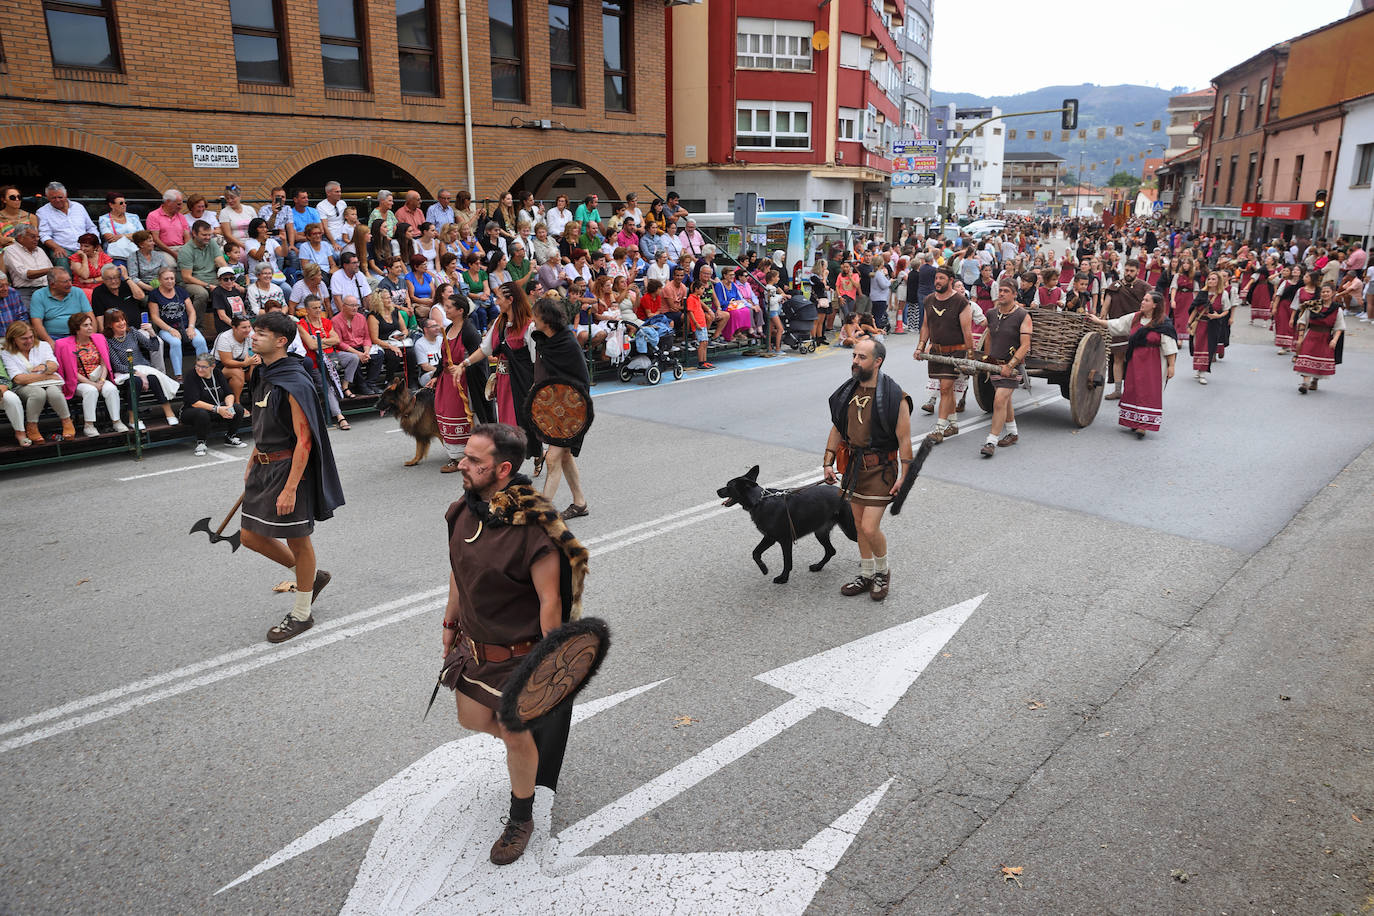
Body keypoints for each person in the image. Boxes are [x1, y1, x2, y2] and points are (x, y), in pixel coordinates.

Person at [441, 421, 588, 865]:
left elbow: (551, 603)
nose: (463, 465)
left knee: (513, 730)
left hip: (520, 656)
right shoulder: (462, 512)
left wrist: (549, 669)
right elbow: (457, 568)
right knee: (471, 719)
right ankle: (526, 748)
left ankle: (521, 816)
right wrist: (449, 621)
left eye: (474, 461)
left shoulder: (534, 532)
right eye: (465, 456)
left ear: (503, 469)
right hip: (475, 647)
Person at [235, 311, 343, 641]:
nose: (253, 336)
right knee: (249, 536)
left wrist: (291, 488)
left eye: (262, 333)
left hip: (288, 469)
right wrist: (255, 455)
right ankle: (309, 576)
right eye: (254, 331)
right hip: (264, 465)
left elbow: (305, 438)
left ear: (281, 341)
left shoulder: (293, 379)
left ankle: (301, 613)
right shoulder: (261, 373)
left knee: (298, 540)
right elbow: (266, 421)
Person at [822, 338, 913, 601]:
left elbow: (905, 441)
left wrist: (905, 478)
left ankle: (883, 573)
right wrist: (827, 462)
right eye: (854, 356)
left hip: (881, 470)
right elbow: (838, 427)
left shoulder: (897, 398)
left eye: (862, 357)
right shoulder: (846, 392)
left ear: (877, 361)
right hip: (854, 469)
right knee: (860, 526)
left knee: (870, 528)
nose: (855, 361)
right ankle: (866, 573)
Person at [455, 281, 540, 462]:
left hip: (522, 382)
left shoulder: (529, 326)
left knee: (524, 422)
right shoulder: (500, 323)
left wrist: (536, 384)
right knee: (507, 423)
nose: (495, 301)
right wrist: (465, 363)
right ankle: (509, 461)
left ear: (510, 300)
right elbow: (485, 349)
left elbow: (536, 359)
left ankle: (537, 453)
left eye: (499, 298)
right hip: (503, 381)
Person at [529, 296, 592, 518]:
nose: (533, 319)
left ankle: (542, 513)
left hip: (573, 409)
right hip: (555, 406)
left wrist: (573, 411)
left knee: (554, 456)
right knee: (564, 455)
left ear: (546, 319)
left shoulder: (567, 343)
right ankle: (580, 503)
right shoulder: (545, 339)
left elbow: (581, 382)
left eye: (536, 315)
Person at [1087, 290, 1177, 438]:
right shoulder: (1135, 318)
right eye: (1143, 299)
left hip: (1153, 364)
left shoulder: (1163, 323)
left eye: (1147, 300)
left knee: (1149, 391)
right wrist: (1098, 321)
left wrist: (1171, 366)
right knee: (1133, 389)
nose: (1143, 302)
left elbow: (1169, 346)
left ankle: (1143, 425)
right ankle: (1133, 421)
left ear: (1155, 305)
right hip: (1135, 362)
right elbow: (1117, 323)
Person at [430, 295, 492, 472]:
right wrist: (436, 375)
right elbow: (443, 357)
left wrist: (461, 368)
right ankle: (458, 456)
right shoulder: (449, 328)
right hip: (447, 381)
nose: (446, 309)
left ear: (460, 311)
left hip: (464, 382)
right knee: (446, 413)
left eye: (449, 307)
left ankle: (469, 456)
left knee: (464, 415)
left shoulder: (469, 332)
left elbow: (479, 359)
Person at [916, 266, 973, 442]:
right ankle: (953, 424)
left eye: (941, 278)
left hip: (955, 352)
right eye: (936, 278)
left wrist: (969, 356)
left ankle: (939, 429)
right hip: (936, 353)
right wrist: (920, 346)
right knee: (945, 389)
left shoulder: (961, 302)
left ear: (950, 280)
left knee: (946, 388)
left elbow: (967, 331)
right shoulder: (929, 300)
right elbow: (926, 325)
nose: (937, 282)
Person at [976, 279, 1031, 457]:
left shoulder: (1023, 315)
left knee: (999, 400)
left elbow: (1025, 346)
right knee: (1004, 400)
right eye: (1000, 290)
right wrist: (987, 360)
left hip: (1012, 367)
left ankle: (991, 441)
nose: (1001, 294)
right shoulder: (991, 313)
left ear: (1015, 294)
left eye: (1006, 291)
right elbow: (989, 337)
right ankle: (1013, 432)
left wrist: (1010, 364)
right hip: (995, 365)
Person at [103, 307, 178, 428]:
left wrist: (151, 332)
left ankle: (169, 413)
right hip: (124, 372)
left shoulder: (132, 331)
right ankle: (133, 419)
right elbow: (117, 365)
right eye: (117, 321)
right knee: (135, 382)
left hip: (143, 367)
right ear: (110, 325)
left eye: (123, 319)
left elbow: (153, 347)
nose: (122, 323)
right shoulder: (107, 340)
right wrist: (137, 372)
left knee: (154, 378)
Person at [53, 312, 126, 436]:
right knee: (90, 391)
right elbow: (72, 371)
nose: (90, 328)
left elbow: (104, 363)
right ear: (76, 328)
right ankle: (89, 425)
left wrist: (102, 380)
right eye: (85, 325)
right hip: (79, 381)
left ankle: (116, 421)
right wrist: (91, 384)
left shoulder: (98, 338)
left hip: (99, 377)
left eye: (90, 324)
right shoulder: (63, 344)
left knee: (111, 389)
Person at [1, 319, 74, 442]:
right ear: (14, 339)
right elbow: (18, 379)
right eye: (24, 338)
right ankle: (32, 426)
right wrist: (47, 375)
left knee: (54, 392)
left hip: (50, 383)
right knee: (38, 393)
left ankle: (67, 421)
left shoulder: (42, 345)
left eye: (31, 337)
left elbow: (54, 365)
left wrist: (45, 368)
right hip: (24, 387)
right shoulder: (6, 352)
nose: (29, 341)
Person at [1100, 259, 1151, 400]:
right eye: (1126, 270)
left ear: (1138, 272)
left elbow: (1152, 307)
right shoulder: (1115, 286)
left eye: (1131, 271)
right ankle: (1117, 390)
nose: (1128, 273)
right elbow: (1105, 307)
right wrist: (1102, 321)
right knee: (1118, 358)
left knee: (1135, 360)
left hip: (1137, 328)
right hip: (1117, 327)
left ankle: (1133, 390)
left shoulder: (1145, 287)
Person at [180, 352, 247, 455]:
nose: (199, 369)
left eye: (203, 367)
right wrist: (217, 409)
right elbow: (194, 402)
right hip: (192, 411)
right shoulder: (191, 375)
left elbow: (229, 393)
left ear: (212, 366)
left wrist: (229, 406)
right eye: (197, 366)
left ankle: (230, 437)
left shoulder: (217, 373)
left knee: (237, 408)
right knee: (202, 414)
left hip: (217, 408)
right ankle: (201, 442)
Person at [148, 266, 209, 378]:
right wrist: (170, 330)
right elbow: (155, 317)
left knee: (200, 340)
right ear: (160, 280)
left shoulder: (181, 291)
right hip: (166, 328)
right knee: (175, 342)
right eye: (166, 279)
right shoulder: (154, 295)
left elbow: (191, 312)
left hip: (185, 326)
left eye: (172, 278)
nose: (170, 281)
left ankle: (204, 370)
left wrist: (191, 327)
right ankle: (178, 375)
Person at [1293, 281, 1345, 394]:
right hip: (1311, 335)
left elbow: (1339, 327)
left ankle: (1315, 381)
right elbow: (1302, 321)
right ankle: (1305, 383)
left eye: (1327, 292)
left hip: (1325, 338)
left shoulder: (1337, 310)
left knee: (1319, 360)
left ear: (1333, 293)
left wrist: (1335, 340)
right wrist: (1300, 338)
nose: (1325, 294)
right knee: (1306, 357)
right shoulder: (1313, 305)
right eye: (1323, 291)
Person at [37, 181, 98, 268]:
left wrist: (96, 244)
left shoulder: (78, 207)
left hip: (86, 246)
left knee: (100, 261)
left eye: (60, 197)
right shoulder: (42, 212)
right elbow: (44, 235)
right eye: (53, 198)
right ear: (47, 197)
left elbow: (91, 228)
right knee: (61, 259)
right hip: (63, 248)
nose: (57, 200)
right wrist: (56, 247)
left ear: (66, 195)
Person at [1187, 270, 1231, 385]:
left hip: (1213, 326)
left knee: (1208, 347)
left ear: (1218, 281)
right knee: (1198, 346)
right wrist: (1189, 323)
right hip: (1200, 324)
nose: (1211, 281)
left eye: (1214, 279)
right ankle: (1199, 368)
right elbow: (1195, 309)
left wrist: (1218, 315)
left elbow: (1226, 310)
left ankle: (1203, 372)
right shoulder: (1202, 293)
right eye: (1209, 279)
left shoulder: (1223, 294)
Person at [177, 220, 228, 316]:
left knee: (233, 288)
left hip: (212, 279)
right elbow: (186, 277)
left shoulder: (211, 243)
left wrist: (229, 278)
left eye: (209, 235)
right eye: (204, 235)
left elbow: (221, 262)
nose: (208, 238)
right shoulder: (186, 250)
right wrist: (208, 286)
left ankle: (230, 323)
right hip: (191, 282)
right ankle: (195, 325)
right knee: (202, 294)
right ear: (194, 234)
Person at [29, 267, 90, 344]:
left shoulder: (78, 292)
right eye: (65, 282)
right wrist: (50, 342)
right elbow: (37, 324)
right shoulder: (39, 295)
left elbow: (90, 315)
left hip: (78, 334)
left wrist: (90, 337)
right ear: (52, 284)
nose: (70, 284)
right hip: (53, 337)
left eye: (70, 280)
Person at [5, 226, 54, 311]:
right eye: (33, 236)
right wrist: (48, 270)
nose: (37, 239)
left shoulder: (40, 250)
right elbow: (25, 274)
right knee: (27, 316)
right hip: (27, 292)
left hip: (47, 290)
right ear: (20, 237)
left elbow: (52, 271)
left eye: (38, 236)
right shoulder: (11, 250)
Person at [215, 312, 259, 404]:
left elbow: (257, 351)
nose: (247, 330)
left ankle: (256, 399)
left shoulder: (251, 334)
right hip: (220, 368)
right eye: (244, 327)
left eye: (249, 326)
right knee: (237, 372)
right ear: (234, 328)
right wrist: (244, 364)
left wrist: (257, 358)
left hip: (244, 364)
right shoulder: (224, 337)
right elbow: (226, 361)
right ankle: (236, 403)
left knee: (257, 366)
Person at [89, 263, 146, 333]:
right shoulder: (98, 292)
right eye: (109, 278)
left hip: (138, 329)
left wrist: (126, 278)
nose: (113, 281)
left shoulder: (127, 285)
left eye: (116, 277)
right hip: (115, 333)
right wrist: (103, 334)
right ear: (103, 279)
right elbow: (99, 316)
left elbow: (141, 296)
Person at [147, 189, 188, 257]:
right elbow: (155, 239)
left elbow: (187, 236)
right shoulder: (153, 216)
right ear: (168, 202)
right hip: (163, 250)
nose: (181, 207)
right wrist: (173, 253)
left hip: (182, 248)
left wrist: (186, 251)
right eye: (178, 204)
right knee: (170, 264)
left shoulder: (181, 216)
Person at [210, 266, 249, 333]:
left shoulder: (236, 290)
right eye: (225, 279)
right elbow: (222, 316)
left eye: (232, 278)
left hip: (240, 325)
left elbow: (243, 310)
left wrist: (246, 325)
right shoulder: (217, 292)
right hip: (227, 327)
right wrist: (236, 327)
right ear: (219, 280)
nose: (229, 281)